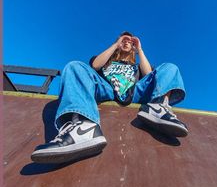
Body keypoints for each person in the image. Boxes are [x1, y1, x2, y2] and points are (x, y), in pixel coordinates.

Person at [31, 31, 188, 164]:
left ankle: (158, 108)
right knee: (74, 66)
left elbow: (149, 75)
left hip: (134, 92)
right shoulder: (107, 62)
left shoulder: (137, 66)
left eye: (129, 41)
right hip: (107, 90)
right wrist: (116, 44)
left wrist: (139, 49)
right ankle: (83, 128)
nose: (127, 42)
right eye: (124, 39)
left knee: (170, 68)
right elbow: (95, 66)